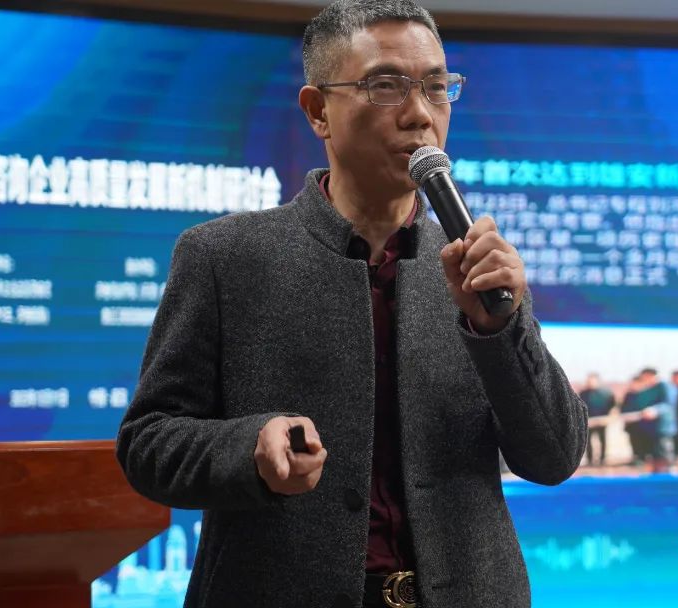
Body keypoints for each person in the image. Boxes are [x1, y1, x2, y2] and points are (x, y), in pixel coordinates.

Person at [114, 2, 588, 608]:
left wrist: (501, 329)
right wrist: (249, 448)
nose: (420, 114)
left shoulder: (476, 265)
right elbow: (149, 443)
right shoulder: (224, 256)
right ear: (318, 111)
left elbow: (554, 456)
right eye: (385, 86)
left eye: (436, 87)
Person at [621, 368, 669, 470]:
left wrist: (654, 410)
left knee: (660, 453)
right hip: (639, 426)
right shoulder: (635, 393)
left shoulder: (663, 387)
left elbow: (666, 404)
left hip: (657, 426)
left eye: (645, 377)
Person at [579, 372, 615, 466]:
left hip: (602, 421)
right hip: (588, 421)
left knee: (602, 439)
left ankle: (602, 459)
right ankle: (590, 460)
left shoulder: (606, 393)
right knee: (587, 441)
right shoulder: (583, 393)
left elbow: (612, 406)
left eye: (593, 381)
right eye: (589, 381)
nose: (591, 383)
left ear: (598, 381)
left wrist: (608, 418)